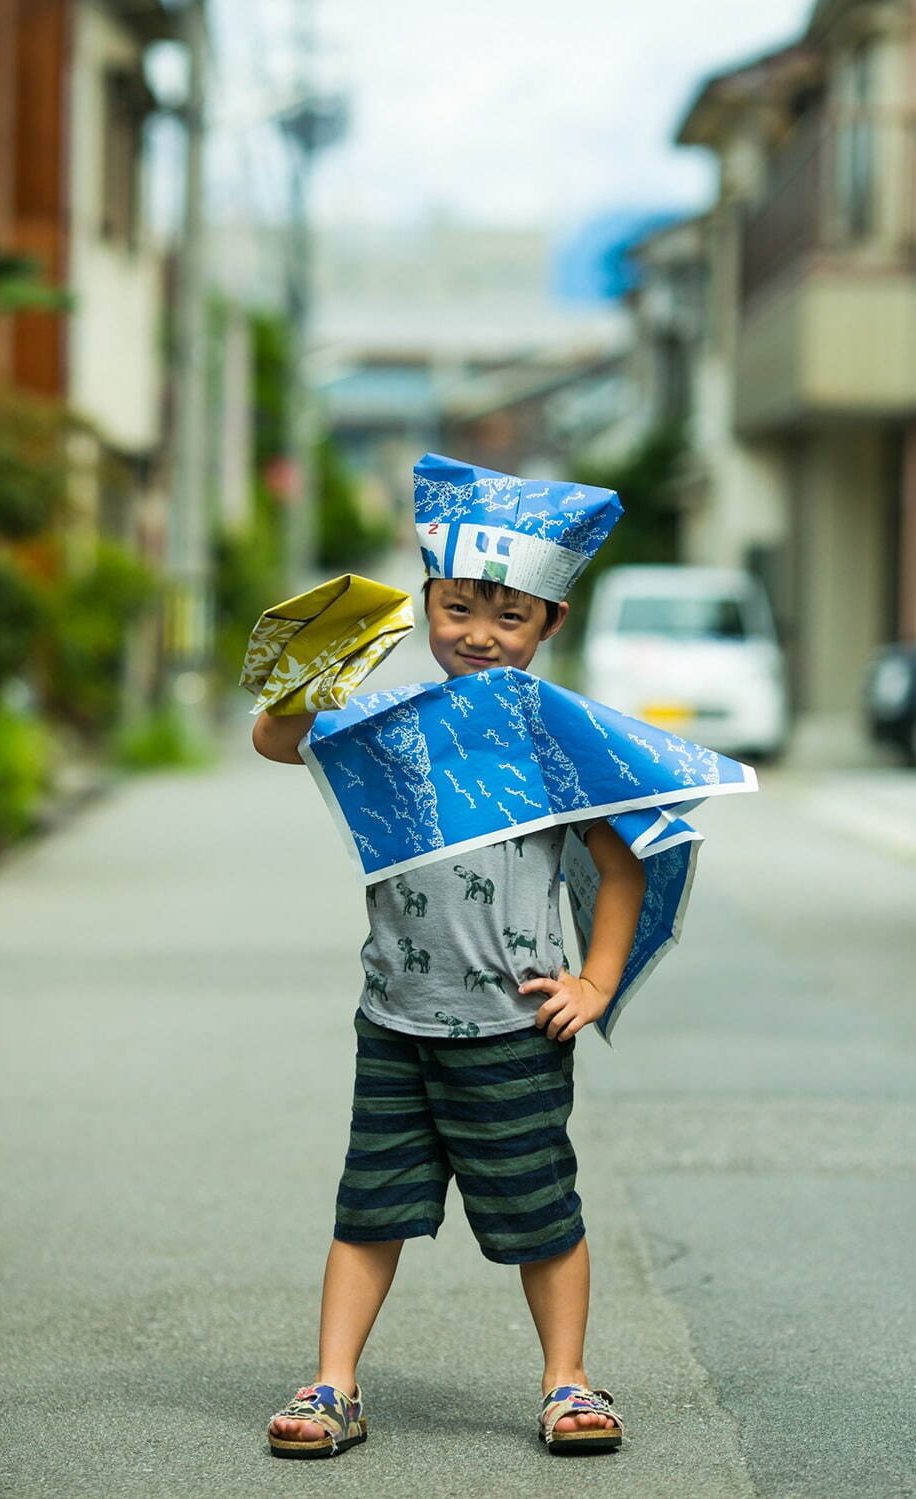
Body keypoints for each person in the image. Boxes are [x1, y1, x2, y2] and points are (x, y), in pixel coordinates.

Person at [253, 457, 644, 1459]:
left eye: (508, 617)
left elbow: (619, 858)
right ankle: (333, 1384)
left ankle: (568, 1382)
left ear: (550, 625)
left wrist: (595, 979)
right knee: (368, 1205)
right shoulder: (391, 722)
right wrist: (310, 668)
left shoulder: (557, 736)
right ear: (428, 598)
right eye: (458, 607)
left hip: (515, 1024)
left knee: (541, 1211)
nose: (478, 633)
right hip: (395, 1016)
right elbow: (273, 735)